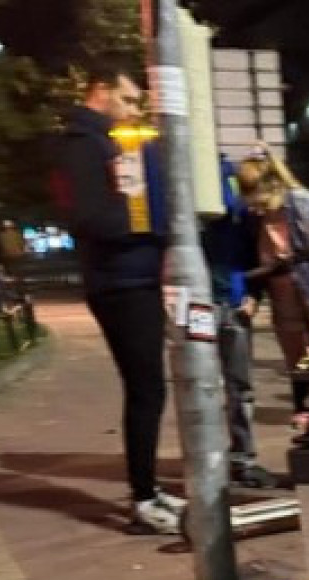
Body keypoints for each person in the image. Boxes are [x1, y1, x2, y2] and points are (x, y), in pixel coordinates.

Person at [59, 59, 183, 534]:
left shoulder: (113, 143)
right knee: (146, 388)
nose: (134, 110)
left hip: (136, 276)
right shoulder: (83, 145)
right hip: (120, 282)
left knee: (149, 388)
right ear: (100, 90)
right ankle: (143, 496)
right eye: (128, 99)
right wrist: (149, 225)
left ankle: (147, 490)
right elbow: (90, 217)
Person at [201, 158, 280, 489]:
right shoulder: (199, 195)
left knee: (236, 387)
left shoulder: (244, 210)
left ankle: (240, 459)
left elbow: (255, 253)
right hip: (206, 301)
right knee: (212, 388)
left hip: (230, 300)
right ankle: (218, 460)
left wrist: (254, 294)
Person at [236, 152, 309, 373]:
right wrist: (253, 295)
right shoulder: (254, 219)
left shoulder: (306, 206)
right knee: (300, 383)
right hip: (286, 320)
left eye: (262, 204)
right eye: (252, 205)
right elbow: (258, 265)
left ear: (275, 186)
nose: (257, 211)